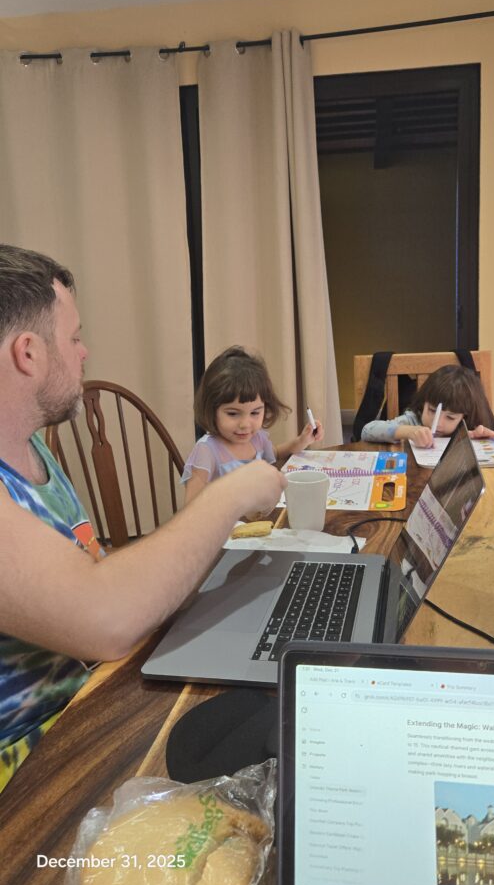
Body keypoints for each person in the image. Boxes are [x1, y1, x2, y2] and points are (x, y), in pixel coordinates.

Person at [0, 245, 286, 790]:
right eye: (74, 338)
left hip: (96, 697)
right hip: (33, 771)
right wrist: (231, 494)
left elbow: (91, 573)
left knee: (287, 701)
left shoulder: (29, 447)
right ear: (29, 353)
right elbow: (103, 618)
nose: (84, 353)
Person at [182, 346, 324, 504]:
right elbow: (190, 506)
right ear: (211, 409)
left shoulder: (257, 439)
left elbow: (276, 453)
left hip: (260, 515)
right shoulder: (206, 451)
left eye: (255, 412)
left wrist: (302, 441)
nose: (245, 424)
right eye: (233, 414)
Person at [361, 364, 494, 448]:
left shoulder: (467, 429)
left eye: (450, 417)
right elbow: (367, 431)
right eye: (432, 411)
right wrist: (408, 432)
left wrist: (483, 442)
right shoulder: (413, 420)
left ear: (464, 417)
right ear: (424, 403)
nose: (438, 423)